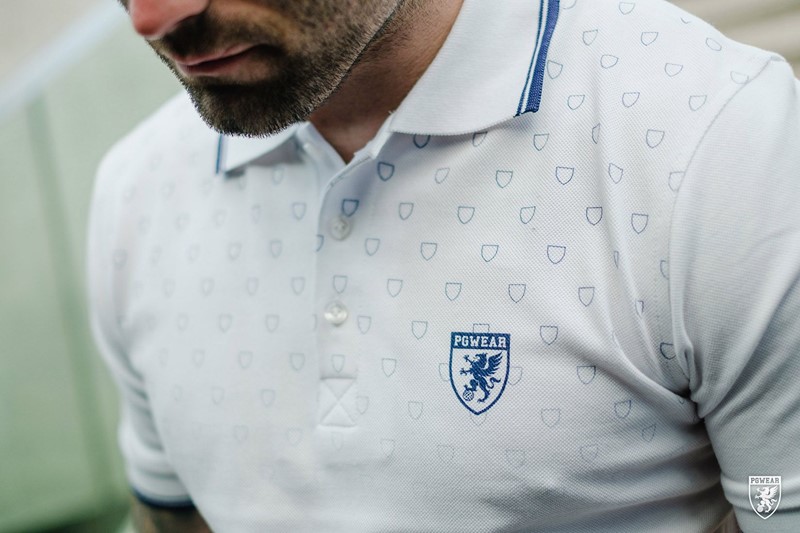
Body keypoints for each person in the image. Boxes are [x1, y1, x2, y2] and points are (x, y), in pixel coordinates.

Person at [87, 0, 800, 531]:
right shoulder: (138, 191)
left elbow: (776, 497)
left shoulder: (710, 143)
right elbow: (174, 514)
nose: (152, 16)